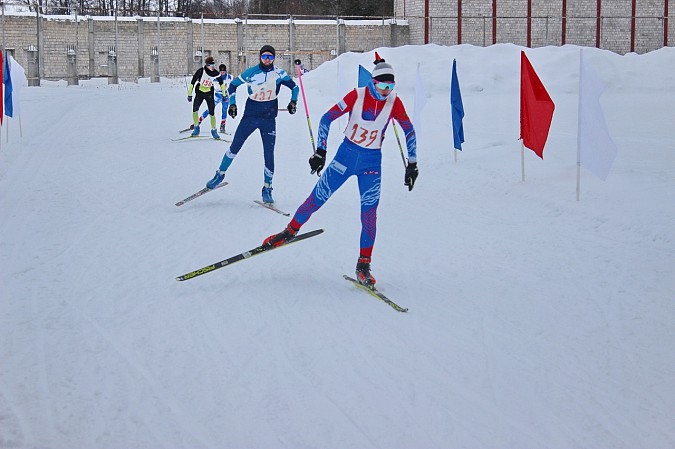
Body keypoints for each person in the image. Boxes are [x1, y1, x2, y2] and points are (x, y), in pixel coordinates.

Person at [262, 55, 418, 287]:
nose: (386, 90)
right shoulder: (357, 95)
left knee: (369, 214)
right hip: (345, 157)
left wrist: (412, 163)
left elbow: (409, 130)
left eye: (391, 86)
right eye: (383, 85)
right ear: (373, 82)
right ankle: (289, 232)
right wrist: (321, 151)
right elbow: (327, 117)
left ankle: (363, 265)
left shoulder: (394, 102)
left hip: (371, 164)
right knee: (317, 198)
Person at [206, 45, 299, 204]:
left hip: (269, 117)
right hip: (251, 114)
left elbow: (295, 87)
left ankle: (267, 187)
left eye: (270, 57)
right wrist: (233, 104)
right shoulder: (251, 72)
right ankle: (219, 174)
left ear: (274, 58)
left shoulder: (279, 73)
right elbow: (233, 85)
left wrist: (293, 102)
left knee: (269, 153)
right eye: (264, 57)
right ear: (260, 57)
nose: (267, 60)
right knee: (235, 146)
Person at [187, 56, 226, 139]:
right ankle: (196, 128)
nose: (213, 67)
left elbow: (221, 83)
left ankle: (214, 130)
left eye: (213, 65)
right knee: (195, 109)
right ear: (207, 65)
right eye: (211, 65)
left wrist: (224, 94)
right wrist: (189, 94)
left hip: (209, 93)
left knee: (212, 112)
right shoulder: (201, 71)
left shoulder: (215, 73)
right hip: (200, 93)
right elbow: (192, 82)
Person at [189, 64, 234, 134]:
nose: (222, 73)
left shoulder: (230, 77)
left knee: (224, 110)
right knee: (209, 109)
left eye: (223, 71)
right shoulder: (215, 77)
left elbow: (234, 86)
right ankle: (198, 121)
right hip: (217, 95)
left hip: (225, 96)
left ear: (226, 71)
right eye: (221, 71)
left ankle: (223, 125)